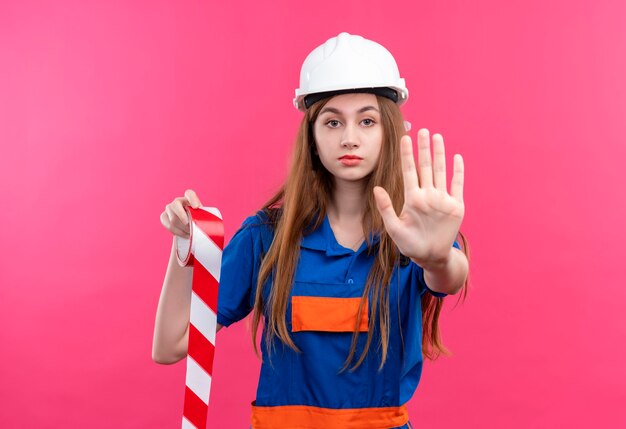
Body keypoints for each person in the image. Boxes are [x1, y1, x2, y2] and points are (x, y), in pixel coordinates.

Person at [153, 32, 470, 429]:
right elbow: (169, 346)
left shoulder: (416, 232)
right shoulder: (266, 237)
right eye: (333, 121)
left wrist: (436, 256)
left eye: (367, 121)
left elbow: (449, 275)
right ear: (312, 137)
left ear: (390, 130)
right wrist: (183, 248)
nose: (349, 137)